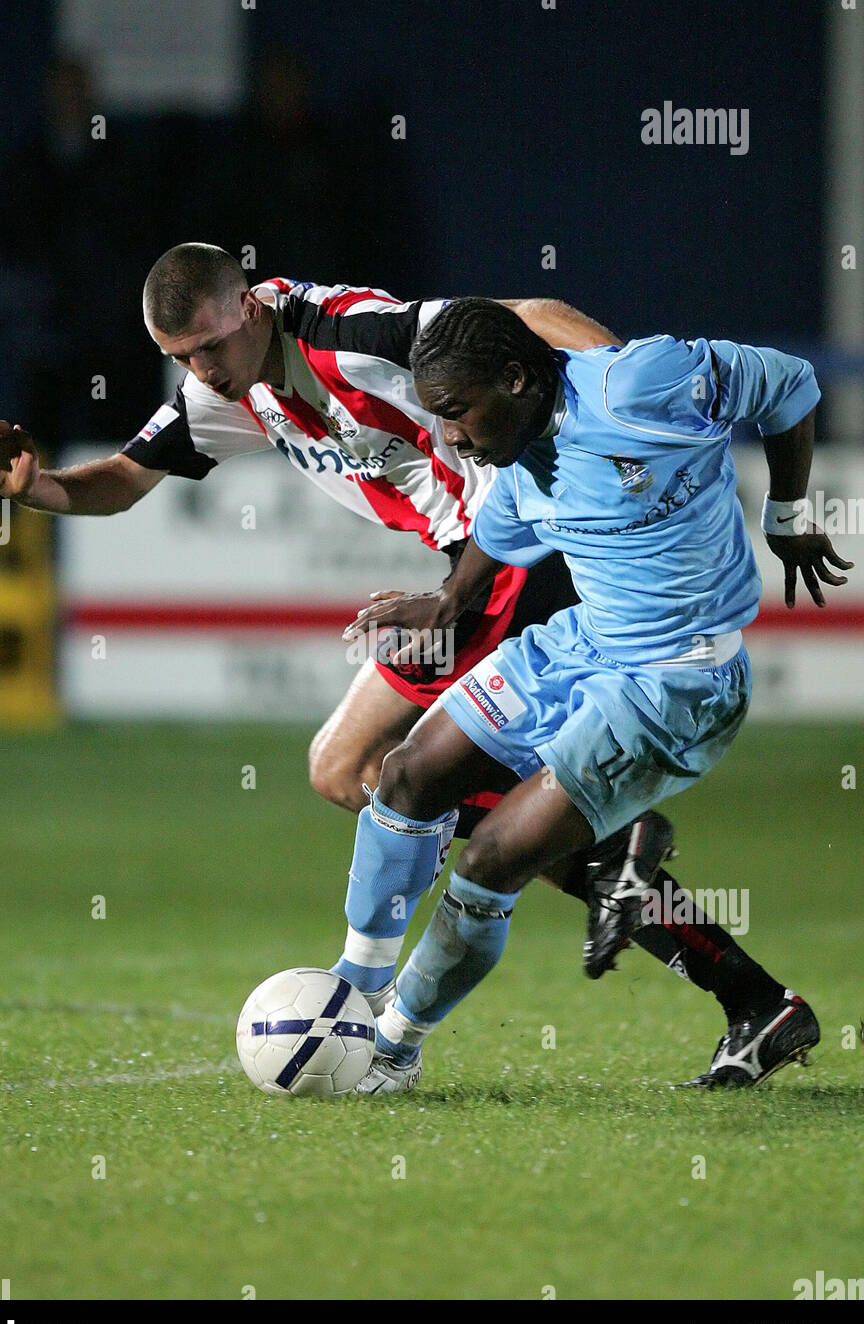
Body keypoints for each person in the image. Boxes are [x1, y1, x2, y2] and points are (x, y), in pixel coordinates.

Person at [0, 245, 742, 1013]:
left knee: (353, 768)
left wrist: (614, 400)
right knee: (367, 775)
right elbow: (126, 480)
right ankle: (747, 994)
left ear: (250, 308)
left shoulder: (348, 331)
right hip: (476, 565)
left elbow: (530, 313)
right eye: (180, 357)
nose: (201, 370)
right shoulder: (224, 389)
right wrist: (37, 488)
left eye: (209, 347)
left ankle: (581, 864)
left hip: (502, 556)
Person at [335, 296, 852, 1093]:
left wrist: (786, 514)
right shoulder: (518, 451)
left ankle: (391, 1051)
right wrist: (449, 599)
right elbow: (501, 529)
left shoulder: (641, 384)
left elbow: (789, 382)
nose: (449, 436)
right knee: (406, 776)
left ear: (516, 379)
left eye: (456, 411)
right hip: (583, 644)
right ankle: (353, 995)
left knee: (493, 858)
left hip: (677, 679)